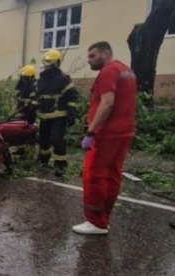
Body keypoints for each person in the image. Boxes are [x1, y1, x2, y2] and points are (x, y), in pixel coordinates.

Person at [72, 41, 137, 235]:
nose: (89, 61)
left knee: (95, 174)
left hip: (106, 133)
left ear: (105, 53)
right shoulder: (126, 70)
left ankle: (96, 222)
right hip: (124, 131)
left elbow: (107, 103)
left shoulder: (109, 71)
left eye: (92, 56)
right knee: (113, 174)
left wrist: (90, 132)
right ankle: (104, 218)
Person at [33, 49, 79, 177]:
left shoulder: (63, 78)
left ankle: (60, 166)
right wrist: (32, 106)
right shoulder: (41, 79)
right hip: (44, 115)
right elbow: (38, 96)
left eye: (50, 63)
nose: (47, 66)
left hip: (59, 115)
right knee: (43, 139)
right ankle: (43, 160)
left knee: (57, 140)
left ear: (56, 63)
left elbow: (73, 96)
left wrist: (71, 113)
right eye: (46, 63)